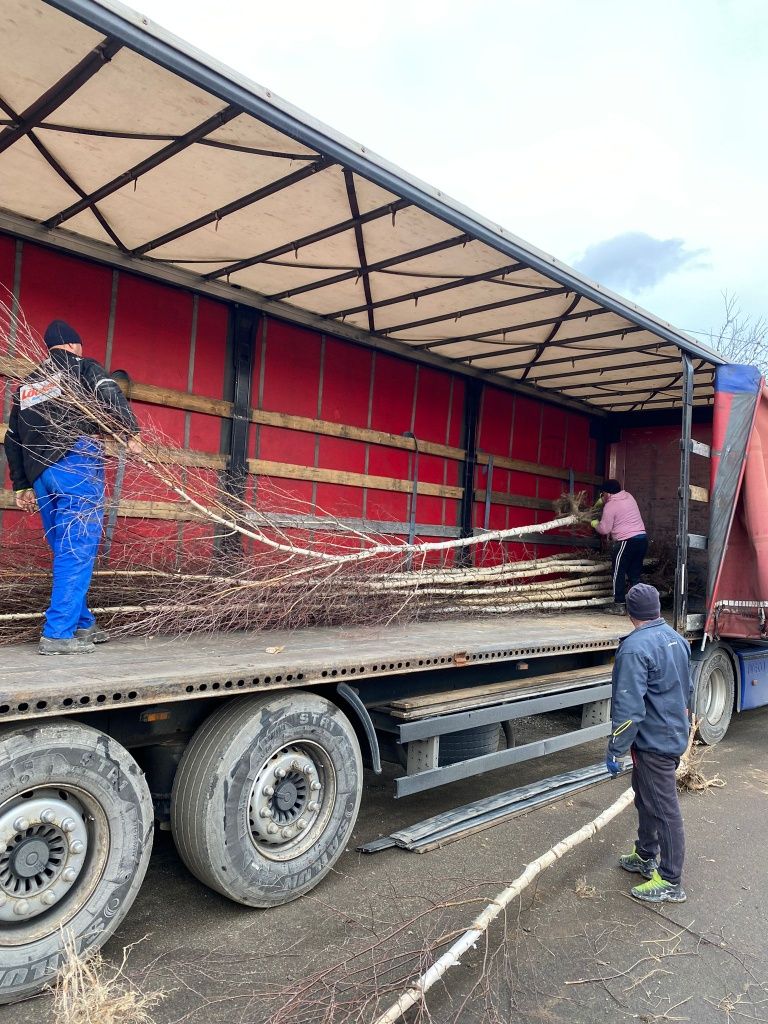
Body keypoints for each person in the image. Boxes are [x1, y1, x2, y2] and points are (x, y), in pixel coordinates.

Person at [3, 320, 140, 655]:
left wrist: (21, 485)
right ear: (76, 346)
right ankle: (58, 634)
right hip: (75, 463)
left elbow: (12, 437)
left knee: (64, 548)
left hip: (40, 474)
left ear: (49, 349)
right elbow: (109, 393)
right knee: (77, 547)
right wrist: (130, 430)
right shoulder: (83, 367)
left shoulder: (28, 385)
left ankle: (82, 622)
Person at [605, 583, 692, 903]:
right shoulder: (677, 640)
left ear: (630, 614)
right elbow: (688, 689)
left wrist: (615, 749)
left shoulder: (634, 648)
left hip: (654, 742)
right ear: (657, 609)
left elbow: (629, 710)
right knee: (646, 797)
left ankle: (670, 880)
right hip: (668, 734)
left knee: (664, 808)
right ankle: (645, 854)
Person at [591, 479, 647, 615]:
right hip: (642, 539)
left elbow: (605, 529)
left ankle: (619, 605)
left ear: (607, 493)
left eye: (602, 494)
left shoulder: (611, 506)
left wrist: (594, 523)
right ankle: (637, 606)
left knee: (618, 573)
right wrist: (602, 502)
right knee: (634, 575)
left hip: (626, 542)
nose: (602, 496)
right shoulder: (629, 496)